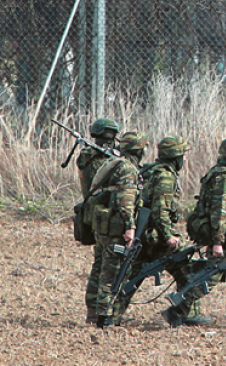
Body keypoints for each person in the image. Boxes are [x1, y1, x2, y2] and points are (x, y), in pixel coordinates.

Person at [163, 137, 226, 327]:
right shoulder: (224, 177)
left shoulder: (222, 174)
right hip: (224, 236)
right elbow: (221, 211)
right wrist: (217, 241)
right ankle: (177, 310)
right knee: (212, 274)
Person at [135, 136, 212, 326]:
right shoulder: (165, 176)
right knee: (187, 268)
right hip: (156, 236)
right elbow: (160, 210)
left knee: (133, 275)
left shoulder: (153, 171)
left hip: (146, 234)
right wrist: (168, 236)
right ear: (175, 156)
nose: (185, 159)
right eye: (183, 155)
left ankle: (112, 314)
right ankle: (189, 314)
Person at [89, 131, 146, 328]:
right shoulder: (128, 169)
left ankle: (93, 313)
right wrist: (130, 227)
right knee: (112, 273)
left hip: (104, 227)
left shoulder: (114, 164)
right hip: (116, 229)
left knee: (99, 270)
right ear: (138, 150)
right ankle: (105, 317)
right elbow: (126, 201)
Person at [78, 117, 120, 325]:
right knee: (106, 263)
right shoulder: (98, 159)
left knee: (100, 261)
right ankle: (101, 310)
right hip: (103, 215)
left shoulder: (89, 156)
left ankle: (94, 310)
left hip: (94, 214)